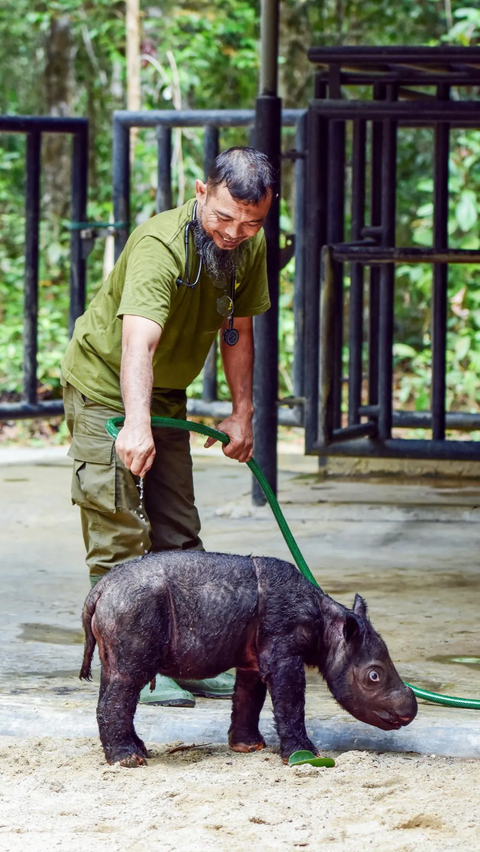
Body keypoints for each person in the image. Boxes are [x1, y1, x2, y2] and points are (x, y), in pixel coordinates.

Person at [62, 146, 274, 707]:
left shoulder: (247, 244)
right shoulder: (161, 244)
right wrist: (135, 424)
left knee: (179, 533)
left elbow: (239, 330)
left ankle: (189, 656)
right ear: (201, 193)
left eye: (251, 222)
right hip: (107, 384)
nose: (235, 232)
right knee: (120, 533)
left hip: (166, 392)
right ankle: (128, 668)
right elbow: (139, 340)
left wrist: (242, 412)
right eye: (224, 217)